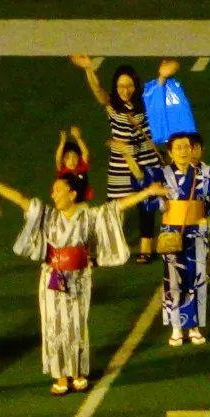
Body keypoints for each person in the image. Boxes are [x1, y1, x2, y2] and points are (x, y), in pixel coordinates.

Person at [0, 169, 168, 395]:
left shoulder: (88, 216)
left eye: (57, 190)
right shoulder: (48, 215)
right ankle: (60, 374)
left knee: (76, 325)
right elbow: (21, 200)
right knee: (53, 325)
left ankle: (77, 371)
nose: (53, 194)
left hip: (79, 277)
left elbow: (116, 207)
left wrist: (147, 192)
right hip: (52, 277)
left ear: (72, 194)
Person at [120, 132, 210, 346]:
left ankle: (194, 327)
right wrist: (127, 156)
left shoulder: (204, 174)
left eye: (186, 147)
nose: (183, 151)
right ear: (170, 153)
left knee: (197, 279)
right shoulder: (163, 174)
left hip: (196, 233)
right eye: (178, 148)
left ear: (192, 150)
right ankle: (176, 328)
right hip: (172, 233)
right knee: (174, 280)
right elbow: (141, 178)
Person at [70, 55, 163, 264]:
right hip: (120, 164)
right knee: (114, 206)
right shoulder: (112, 105)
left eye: (129, 86)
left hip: (145, 160)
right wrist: (88, 68)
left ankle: (146, 247)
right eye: (121, 86)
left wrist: (130, 148)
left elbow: (154, 132)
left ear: (135, 85)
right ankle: (106, 247)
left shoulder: (146, 104)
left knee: (146, 205)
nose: (125, 90)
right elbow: (97, 90)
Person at [141, 59, 197, 145]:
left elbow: (174, 65)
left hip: (185, 136)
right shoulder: (150, 89)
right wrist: (162, 76)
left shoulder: (176, 83)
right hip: (164, 139)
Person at [54, 127, 94, 201]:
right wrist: (62, 142)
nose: (72, 161)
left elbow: (85, 153)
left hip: (81, 201)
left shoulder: (81, 167)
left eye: (75, 157)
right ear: (63, 160)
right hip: (67, 201)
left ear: (79, 158)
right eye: (67, 157)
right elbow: (58, 157)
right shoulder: (62, 169)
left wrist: (78, 138)